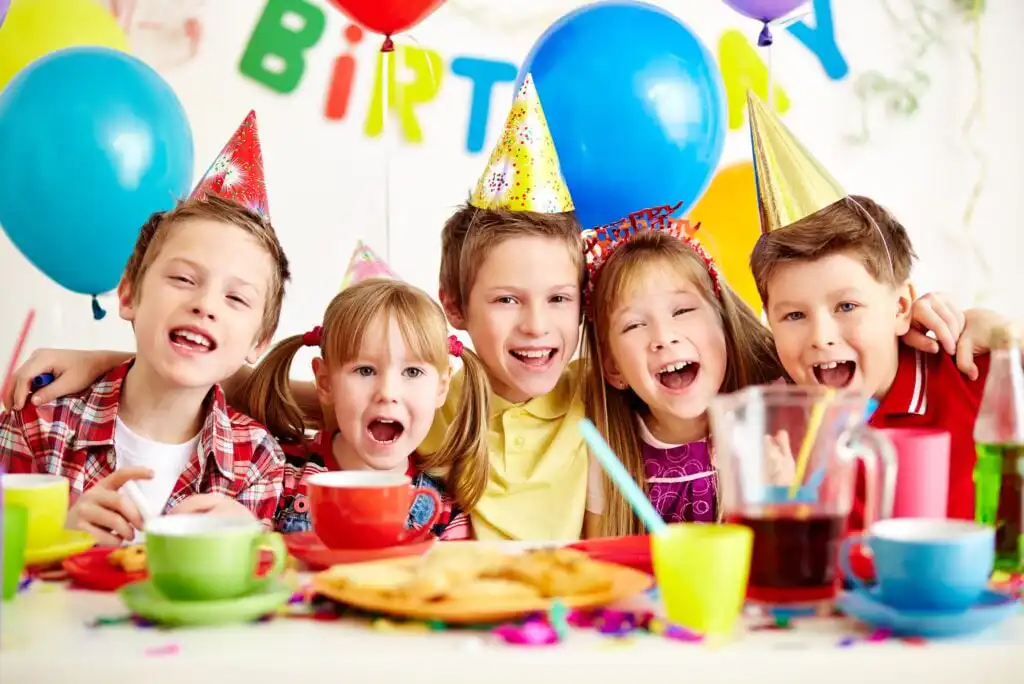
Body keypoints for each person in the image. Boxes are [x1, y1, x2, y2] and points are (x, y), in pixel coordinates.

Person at [0, 111, 290, 543]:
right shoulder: (40, 423)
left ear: (259, 342)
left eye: (236, 298)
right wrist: (59, 536)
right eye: (183, 279)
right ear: (129, 294)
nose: (205, 305)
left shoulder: (257, 462)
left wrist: (255, 546)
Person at [745, 93, 1008, 525]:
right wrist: (778, 507)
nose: (821, 336)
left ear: (902, 306)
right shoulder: (774, 433)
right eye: (794, 315)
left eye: (846, 305)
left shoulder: (972, 379)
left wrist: (1010, 339)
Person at [581, 208, 790, 537]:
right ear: (613, 368)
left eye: (682, 310)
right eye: (634, 324)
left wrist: (780, 497)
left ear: (723, 322)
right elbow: (600, 568)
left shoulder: (778, 416)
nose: (664, 337)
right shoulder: (607, 452)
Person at [235, 278, 491, 539]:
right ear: (325, 382)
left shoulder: (444, 514)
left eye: (412, 371)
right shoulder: (276, 475)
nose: (388, 393)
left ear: (441, 387)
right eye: (365, 370)